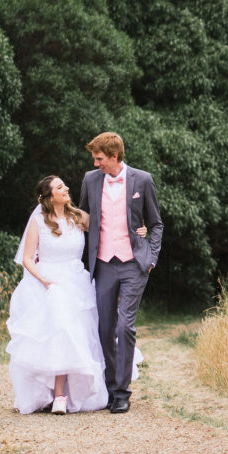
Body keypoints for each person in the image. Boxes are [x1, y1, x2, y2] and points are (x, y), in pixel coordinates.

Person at [5, 176, 108, 415]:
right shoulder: (39, 222)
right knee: (60, 331)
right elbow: (27, 258)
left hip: (77, 283)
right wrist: (43, 280)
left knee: (78, 335)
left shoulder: (77, 217)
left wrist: (140, 227)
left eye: (64, 185)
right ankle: (57, 395)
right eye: (60, 187)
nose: (66, 188)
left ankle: (73, 392)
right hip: (50, 282)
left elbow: (108, 227)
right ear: (50, 197)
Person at [78, 131, 163, 414]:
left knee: (125, 326)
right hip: (103, 264)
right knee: (104, 328)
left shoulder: (143, 180)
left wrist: (151, 255)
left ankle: (122, 393)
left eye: (99, 158)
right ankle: (111, 388)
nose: (95, 163)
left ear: (114, 156)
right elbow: (83, 219)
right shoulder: (90, 180)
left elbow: (156, 223)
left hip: (133, 264)